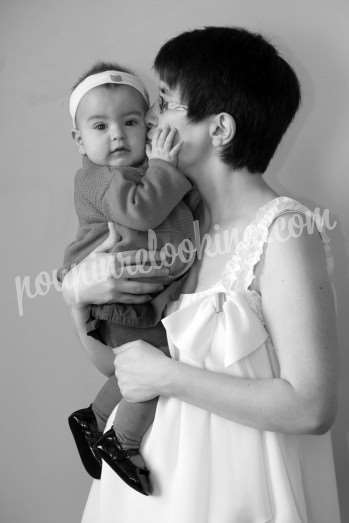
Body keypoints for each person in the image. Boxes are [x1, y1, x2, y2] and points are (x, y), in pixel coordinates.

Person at [62, 26, 341, 523]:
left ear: (219, 129)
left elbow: (311, 407)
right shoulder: (180, 226)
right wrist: (76, 300)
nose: (148, 121)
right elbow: (118, 368)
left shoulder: (283, 228)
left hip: (230, 496)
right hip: (147, 492)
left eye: (165, 103)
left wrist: (168, 376)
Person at [59, 62, 200, 494]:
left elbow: (179, 208)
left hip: (141, 293)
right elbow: (142, 210)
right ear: (79, 139)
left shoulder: (148, 173)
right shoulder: (97, 179)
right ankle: (122, 440)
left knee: (143, 362)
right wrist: (165, 168)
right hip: (115, 295)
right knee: (153, 367)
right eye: (100, 125)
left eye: (131, 121)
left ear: (148, 124)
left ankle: (94, 418)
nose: (118, 134)